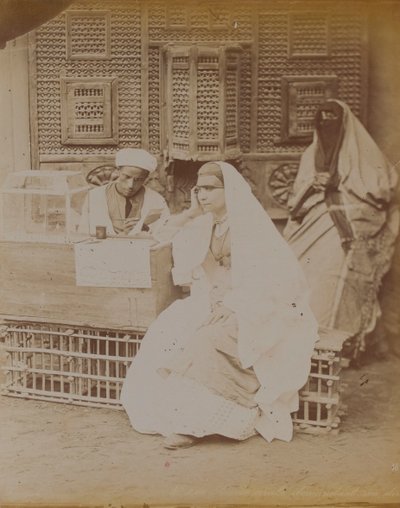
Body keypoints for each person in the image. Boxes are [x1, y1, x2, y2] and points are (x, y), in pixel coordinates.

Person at [121, 161, 318, 449]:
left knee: (205, 338)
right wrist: (191, 213)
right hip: (217, 298)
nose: (202, 194)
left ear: (231, 191)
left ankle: (199, 425)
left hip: (258, 304)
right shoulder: (206, 224)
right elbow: (164, 236)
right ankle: (174, 416)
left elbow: (274, 279)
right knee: (169, 329)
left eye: (211, 189)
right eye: (199, 189)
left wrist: (236, 304)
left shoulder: (251, 227)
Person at [283, 99, 399, 360]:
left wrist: (338, 185)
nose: (327, 130)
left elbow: (380, 194)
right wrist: (312, 186)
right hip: (313, 221)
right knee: (296, 269)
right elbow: (294, 205)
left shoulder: (364, 155)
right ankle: (301, 346)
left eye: (333, 124)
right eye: (322, 124)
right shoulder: (309, 156)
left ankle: (335, 347)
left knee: (333, 272)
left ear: (345, 125)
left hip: (349, 226)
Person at [80, 148, 169, 236]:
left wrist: (145, 229)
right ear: (118, 171)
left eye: (138, 180)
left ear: (146, 178)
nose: (130, 185)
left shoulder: (157, 201)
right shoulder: (95, 197)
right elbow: (83, 234)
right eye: (127, 177)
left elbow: (163, 236)